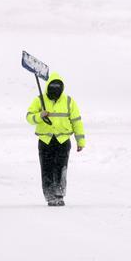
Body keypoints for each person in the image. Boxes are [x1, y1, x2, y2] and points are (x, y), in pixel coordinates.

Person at [25, 72, 85, 206]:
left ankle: (59, 194)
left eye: (58, 87)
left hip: (63, 141)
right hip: (45, 141)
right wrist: (40, 115)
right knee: (46, 169)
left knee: (61, 168)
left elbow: (77, 122)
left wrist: (80, 141)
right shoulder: (39, 100)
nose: (55, 89)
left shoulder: (69, 101)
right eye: (53, 87)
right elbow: (29, 117)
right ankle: (49, 195)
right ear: (48, 87)